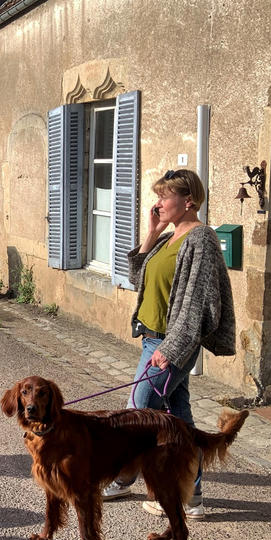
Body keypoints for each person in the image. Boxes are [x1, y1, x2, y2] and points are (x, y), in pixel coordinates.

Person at [102, 169, 235, 519]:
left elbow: (195, 302)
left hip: (169, 343)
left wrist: (171, 350)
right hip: (153, 338)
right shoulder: (170, 237)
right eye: (158, 196)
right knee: (179, 417)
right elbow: (136, 277)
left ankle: (124, 477)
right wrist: (152, 232)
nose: (158, 202)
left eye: (165, 196)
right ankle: (193, 495)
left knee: (137, 413)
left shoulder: (201, 239)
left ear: (188, 200)